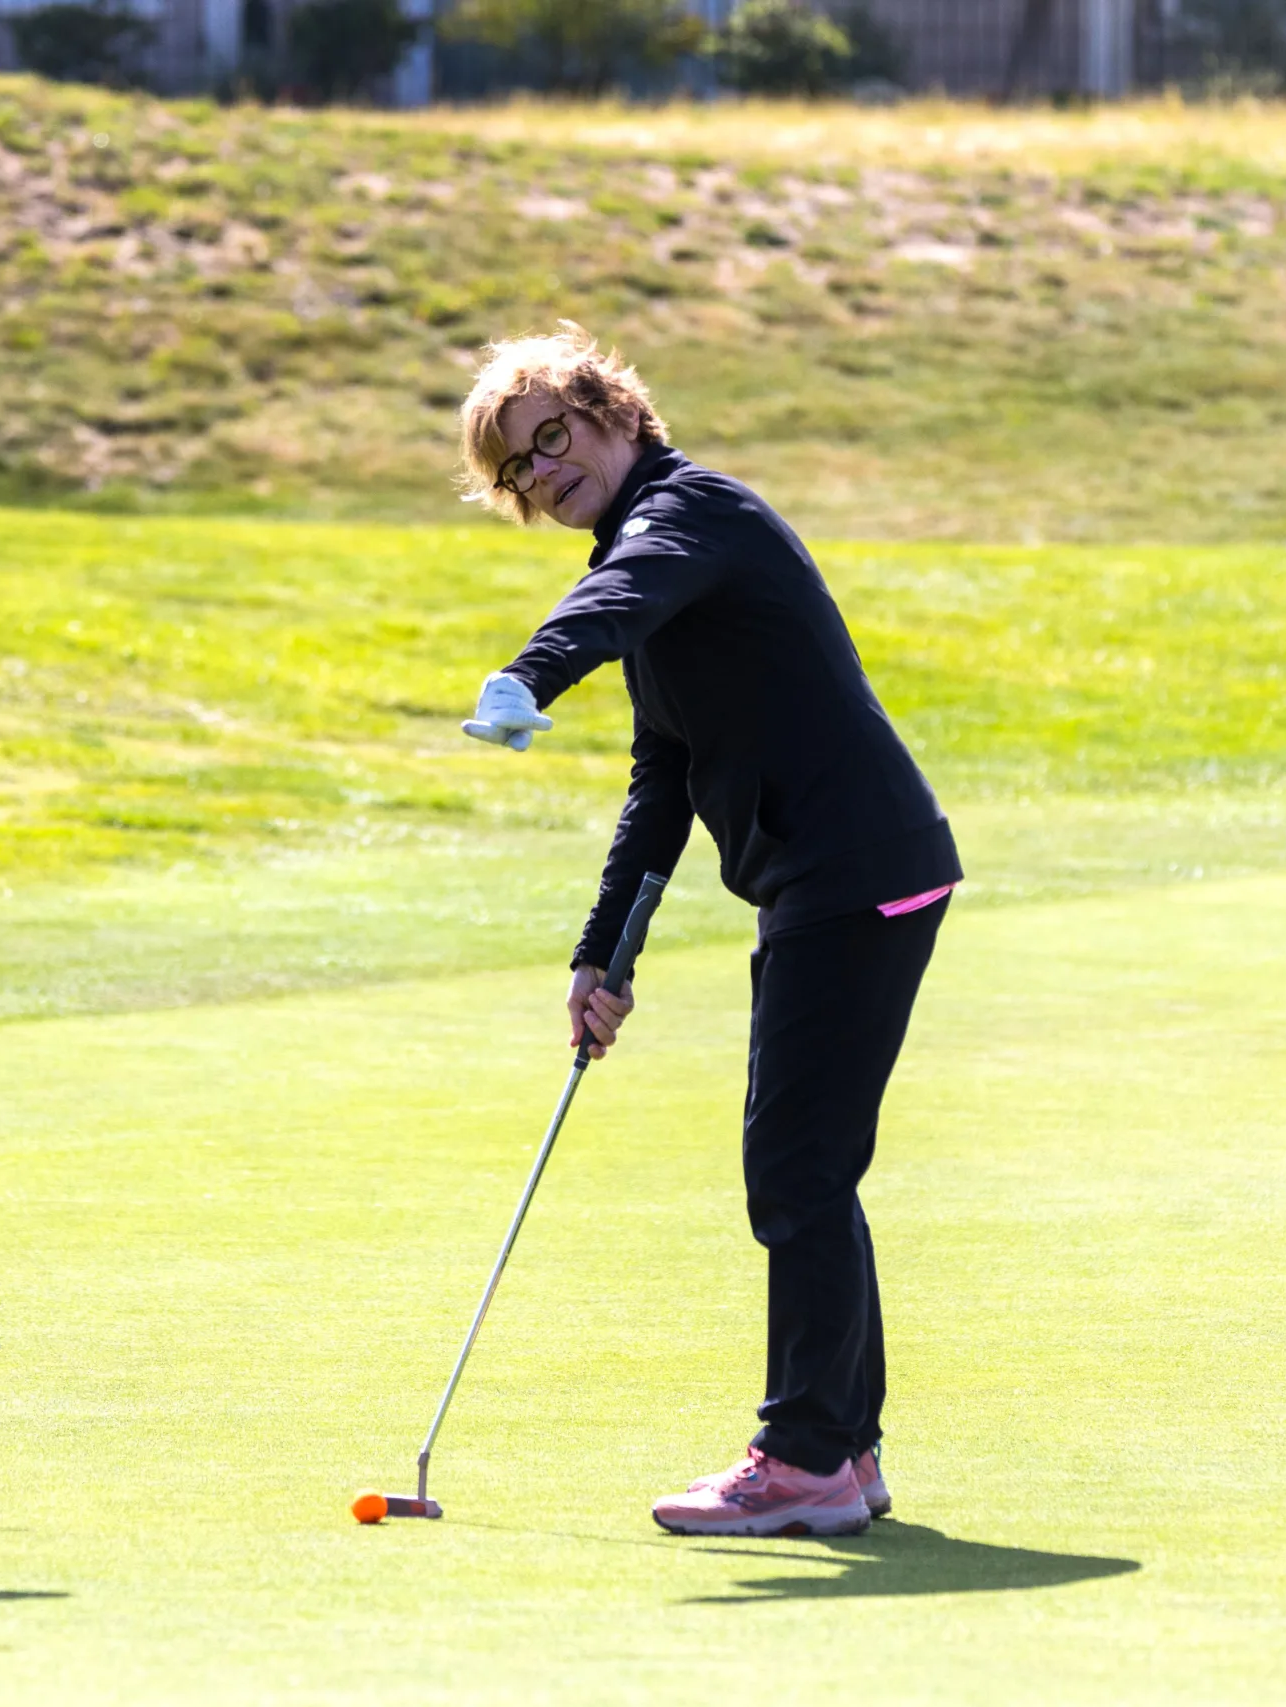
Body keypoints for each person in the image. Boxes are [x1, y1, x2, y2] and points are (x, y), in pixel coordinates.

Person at [456, 327, 961, 1538]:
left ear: (610, 408)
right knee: (809, 1168)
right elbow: (664, 777)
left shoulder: (692, 517)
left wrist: (532, 671)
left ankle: (803, 1460)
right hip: (836, 876)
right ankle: (847, 1453)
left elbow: (618, 596)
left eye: (552, 437)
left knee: (794, 1168)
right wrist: (602, 957)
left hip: (852, 872)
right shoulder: (656, 553)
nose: (543, 472)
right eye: (518, 470)